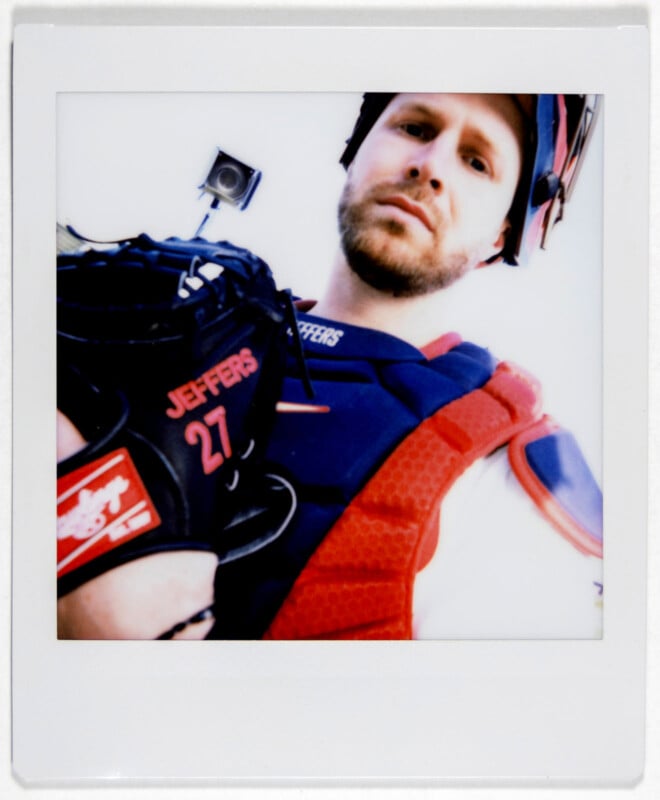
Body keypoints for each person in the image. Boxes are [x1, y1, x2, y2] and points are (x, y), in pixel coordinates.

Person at [57, 92, 602, 640]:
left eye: (476, 161)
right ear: (357, 149)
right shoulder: (166, 329)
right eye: (414, 128)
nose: (430, 165)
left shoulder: (503, 481)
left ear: (503, 232)